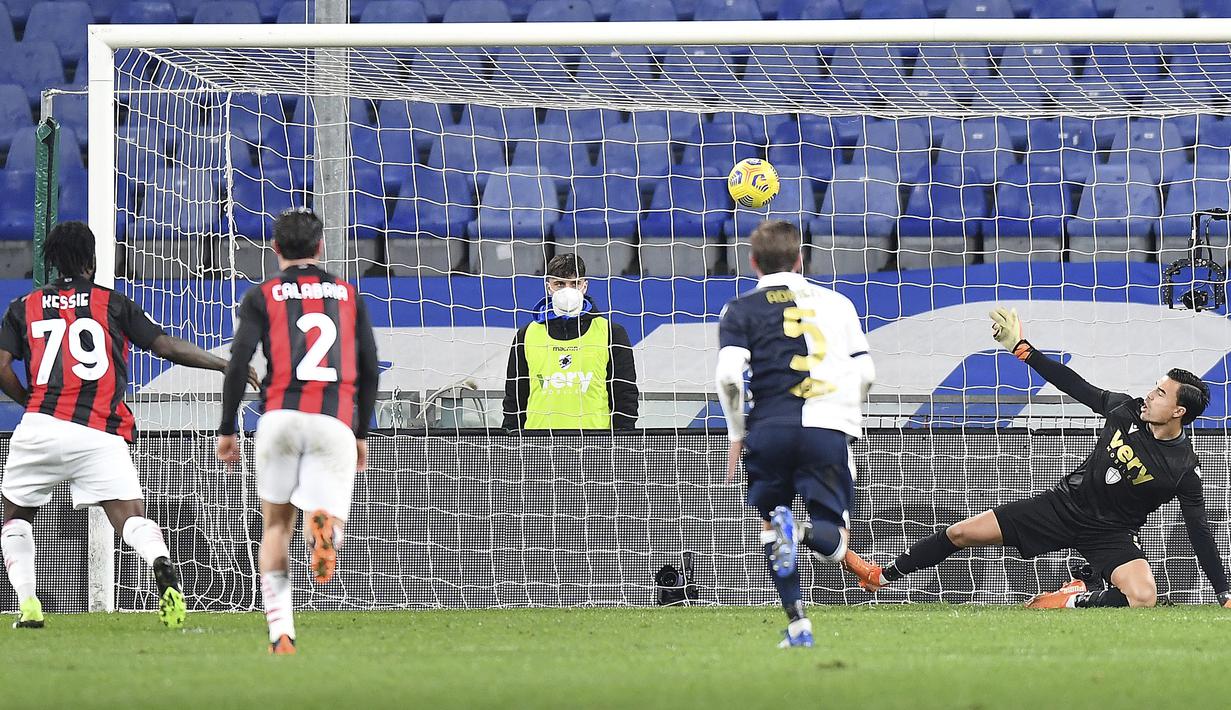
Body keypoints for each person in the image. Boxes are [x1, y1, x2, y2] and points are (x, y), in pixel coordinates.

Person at [843, 306, 1231, 610]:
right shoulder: (1124, 410)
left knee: (1143, 597)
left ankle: (1071, 598)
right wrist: (1021, 348)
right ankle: (881, 575)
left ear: (1179, 411)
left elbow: (1199, 531)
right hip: (1060, 507)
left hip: (1110, 534)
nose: (1150, 395)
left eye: (1160, 394)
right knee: (960, 533)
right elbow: (1074, 383)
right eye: (1155, 387)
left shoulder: (1183, 469)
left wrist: (1223, 592)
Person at [0, 221, 257, 629]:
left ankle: (29, 603)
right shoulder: (113, 303)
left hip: (39, 429)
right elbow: (165, 346)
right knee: (131, 519)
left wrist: (31, 402)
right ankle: (160, 561)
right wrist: (223, 364)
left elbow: (1, 368)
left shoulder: (22, 306)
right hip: (100, 433)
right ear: (92, 260)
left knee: (16, 518)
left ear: (52, 262)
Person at [216, 209, 380, 655]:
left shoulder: (262, 294)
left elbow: (239, 361)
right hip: (333, 420)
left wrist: (228, 427)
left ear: (274, 249)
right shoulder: (348, 295)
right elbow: (369, 367)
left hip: (279, 418)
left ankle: (281, 632)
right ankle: (324, 533)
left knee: (275, 526)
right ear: (321, 247)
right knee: (323, 514)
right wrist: (361, 432)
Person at [715, 220, 875, 648]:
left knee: (771, 525)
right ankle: (801, 532)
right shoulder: (838, 304)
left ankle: (799, 626)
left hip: (770, 428)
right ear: (800, 258)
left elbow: (729, 376)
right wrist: (847, 419)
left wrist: (736, 434)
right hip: (826, 429)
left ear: (753, 262)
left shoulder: (739, 309)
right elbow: (866, 372)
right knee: (834, 541)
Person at [502, 254, 638, 431]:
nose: (567, 290)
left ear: (584, 286)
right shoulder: (526, 335)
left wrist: (622, 441)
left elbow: (625, 397)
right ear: (548, 287)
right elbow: (514, 399)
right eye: (559, 284)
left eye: (574, 284)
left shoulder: (612, 333)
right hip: (537, 442)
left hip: (595, 443)